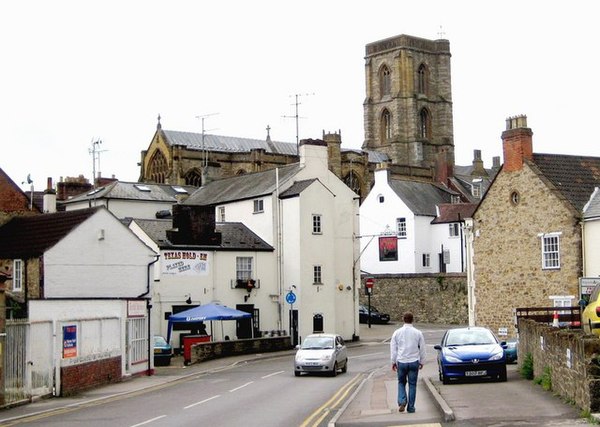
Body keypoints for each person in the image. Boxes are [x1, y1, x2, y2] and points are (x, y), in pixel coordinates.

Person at [390, 312, 426, 413]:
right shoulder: (418, 333)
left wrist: (393, 361)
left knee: (401, 382)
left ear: (403, 319)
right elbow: (422, 348)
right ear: (412, 320)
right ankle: (411, 407)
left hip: (401, 361)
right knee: (412, 384)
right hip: (414, 361)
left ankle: (402, 401)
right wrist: (422, 361)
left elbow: (393, 349)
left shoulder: (397, 333)